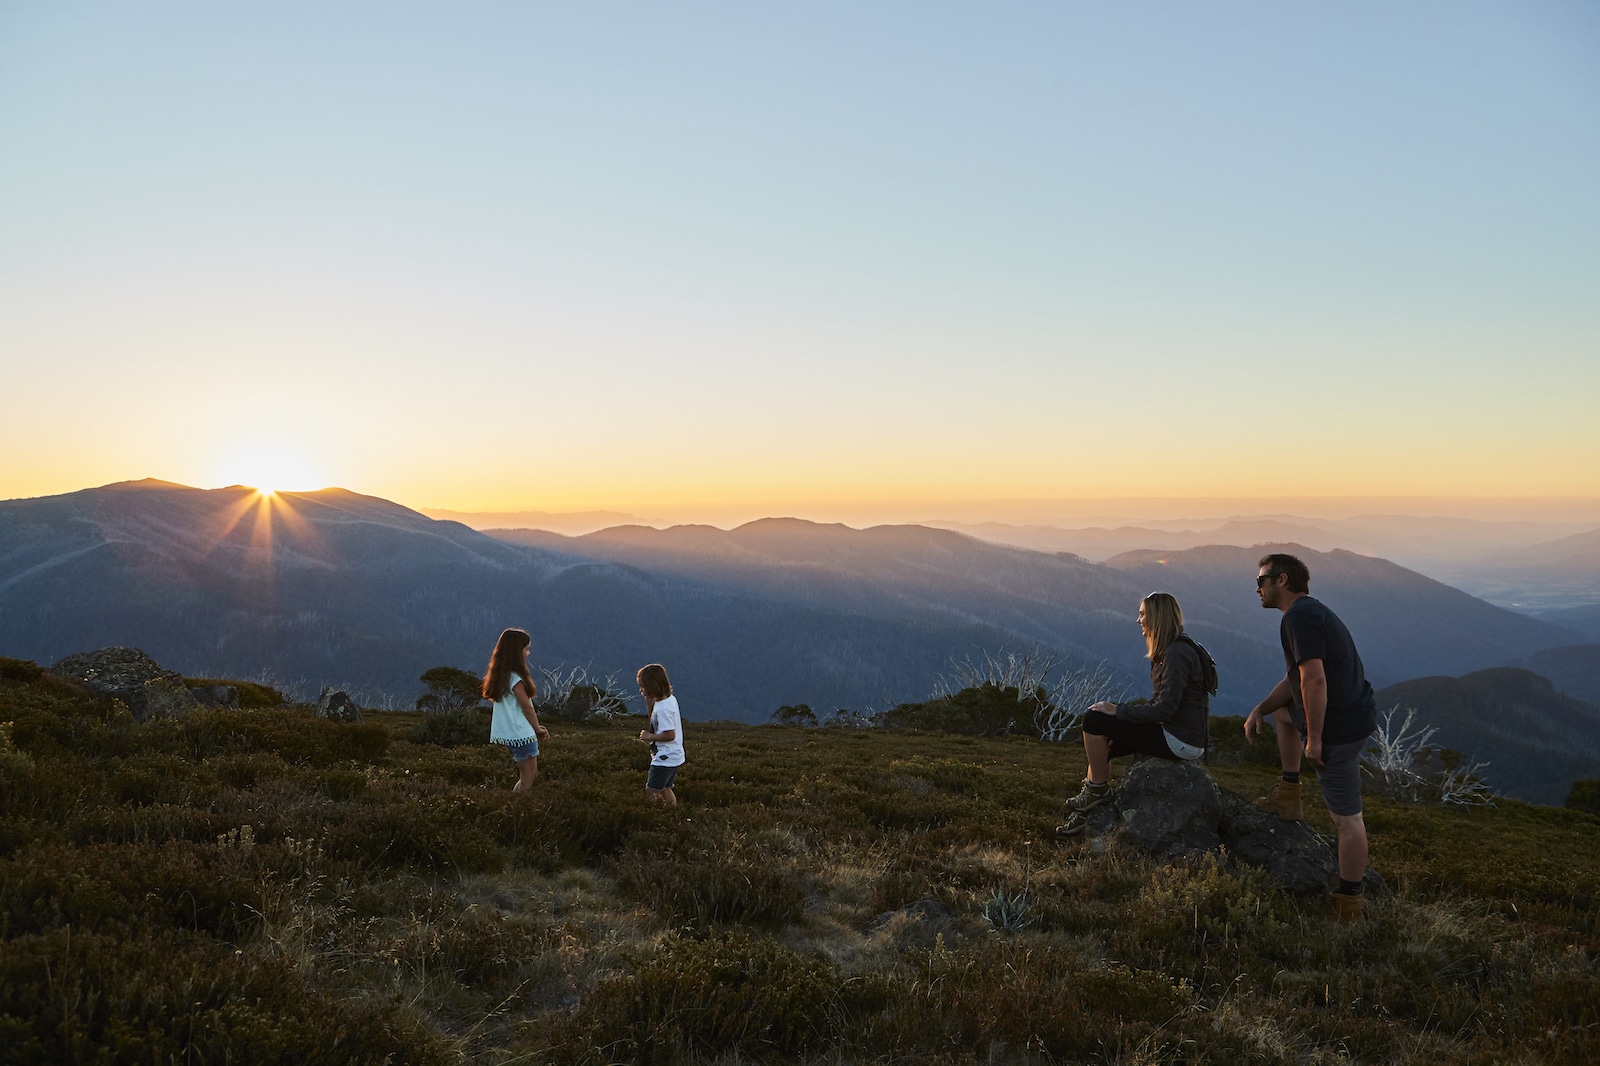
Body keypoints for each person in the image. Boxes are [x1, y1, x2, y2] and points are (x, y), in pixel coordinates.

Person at [1245, 552, 1378, 923]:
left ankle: (1349, 904)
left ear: (1282, 580)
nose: (1257, 588)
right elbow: (1295, 680)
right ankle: (1290, 794)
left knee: (1346, 820)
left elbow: (1314, 679)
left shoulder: (1298, 618)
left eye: (1261, 581)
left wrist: (1316, 739)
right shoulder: (1309, 612)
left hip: (1336, 728)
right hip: (1350, 714)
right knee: (1284, 717)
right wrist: (1262, 708)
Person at [1057, 592, 1216, 836]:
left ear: (1157, 617)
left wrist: (1118, 711)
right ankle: (1087, 813)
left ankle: (1096, 792)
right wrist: (1120, 719)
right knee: (1103, 744)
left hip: (1181, 740)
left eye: (1143, 614)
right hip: (1177, 734)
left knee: (1094, 720)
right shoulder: (1171, 651)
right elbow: (1161, 703)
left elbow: (1164, 709)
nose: (1138, 620)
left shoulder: (1176, 654)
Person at [482, 627, 549, 793]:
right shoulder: (516, 679)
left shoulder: (501, 676)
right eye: (526, 650)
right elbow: (527, 707)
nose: (528, 654)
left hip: (512, 735)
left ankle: (515, 805)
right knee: (529, 777)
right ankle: (517, 808)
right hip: (522, 734)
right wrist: (538, 729)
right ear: (517, 652)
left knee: (527, 776)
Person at [636, 662, 685, 805]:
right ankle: (671, 814)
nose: (641, 690)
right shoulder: (669, 699)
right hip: (673, 756)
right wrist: (649, 705)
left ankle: (657, 816)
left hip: (665, 758)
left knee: (651, 790)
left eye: (643, 686)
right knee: (665, 788)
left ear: (653, 685)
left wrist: (648, 737)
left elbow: (670, 735)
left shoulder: (664, 708)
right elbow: (655, 723)